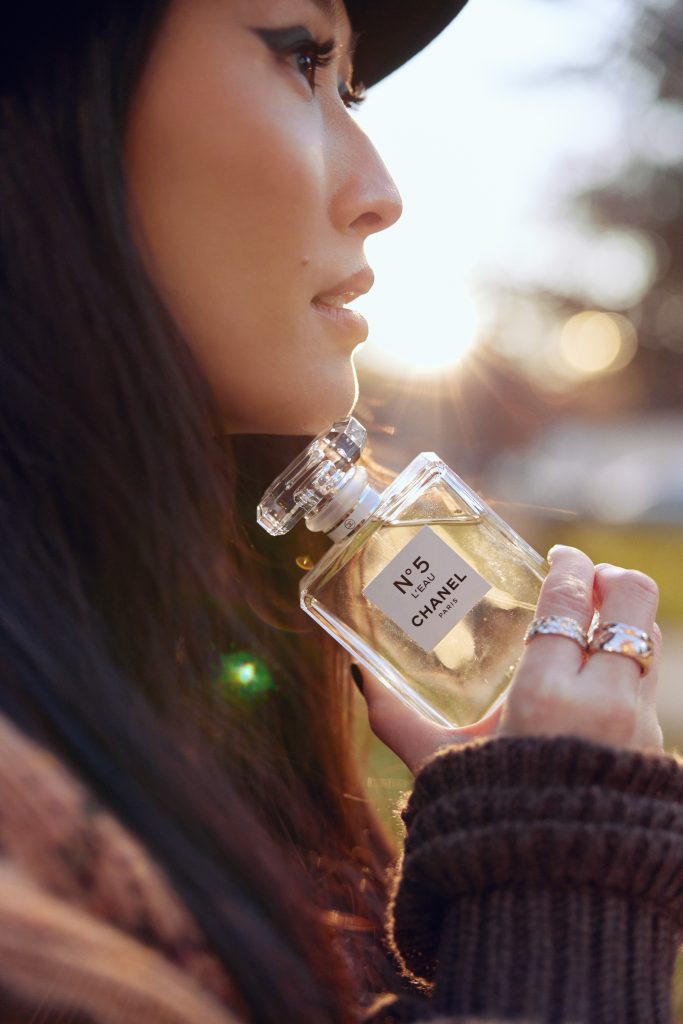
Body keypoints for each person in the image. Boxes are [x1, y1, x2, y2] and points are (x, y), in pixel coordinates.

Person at [0, 2, 680, 1022]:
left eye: (351, 89)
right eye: (301, 58)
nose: (380, 193)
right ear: (47, 91)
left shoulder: (177, 673)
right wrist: (560, 886)